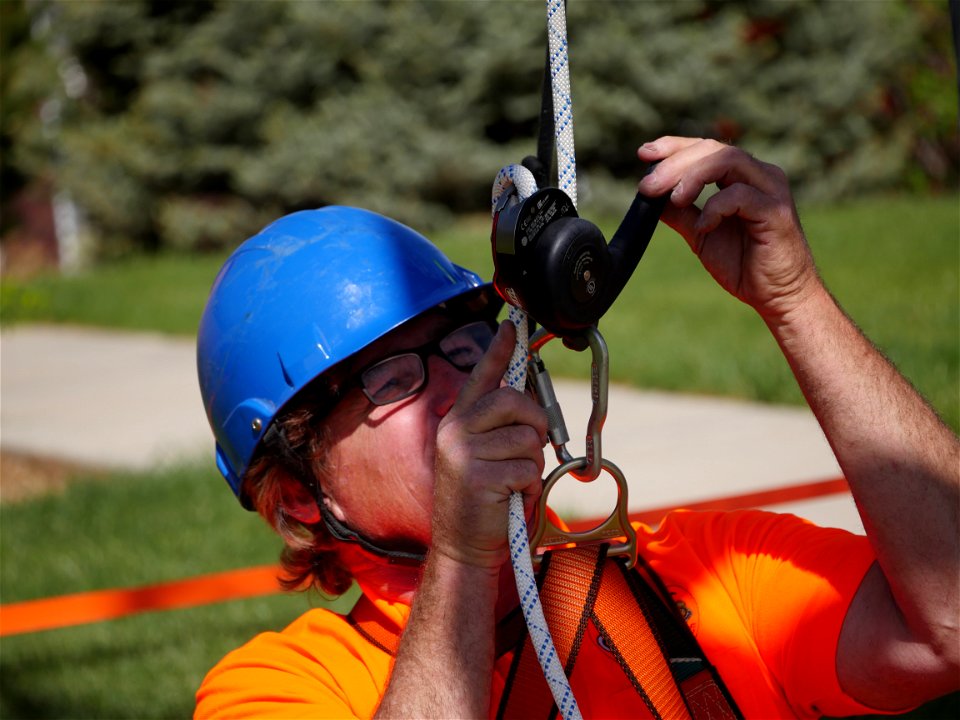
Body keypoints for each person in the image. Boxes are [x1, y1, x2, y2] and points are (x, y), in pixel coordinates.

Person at [194, 137, 958, 719]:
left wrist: (795, 300)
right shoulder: (279, 688)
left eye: (463, 343)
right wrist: (464, 555)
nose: (461, 385)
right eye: (393, 381)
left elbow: (948, 626)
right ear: (297, 494)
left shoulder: (697, 579)